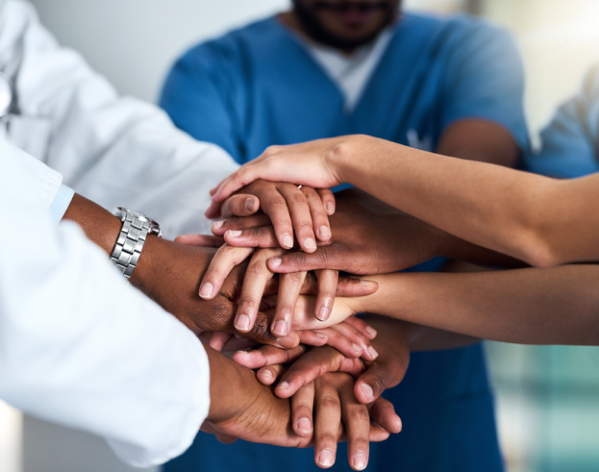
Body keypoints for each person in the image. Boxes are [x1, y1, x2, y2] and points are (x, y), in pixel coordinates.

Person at [0, 0, 399, 468]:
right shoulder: (214, 68)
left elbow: (61, 115)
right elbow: (20, 290)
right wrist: (224, 390)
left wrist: (256, 232)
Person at [160, 0, 529, 470]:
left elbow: (488, 195)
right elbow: (202, 215)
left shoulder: (470, 50)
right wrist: (267, 209)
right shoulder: (210, 70)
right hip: (256, 387)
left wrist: (316, 234)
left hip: (428, 397)